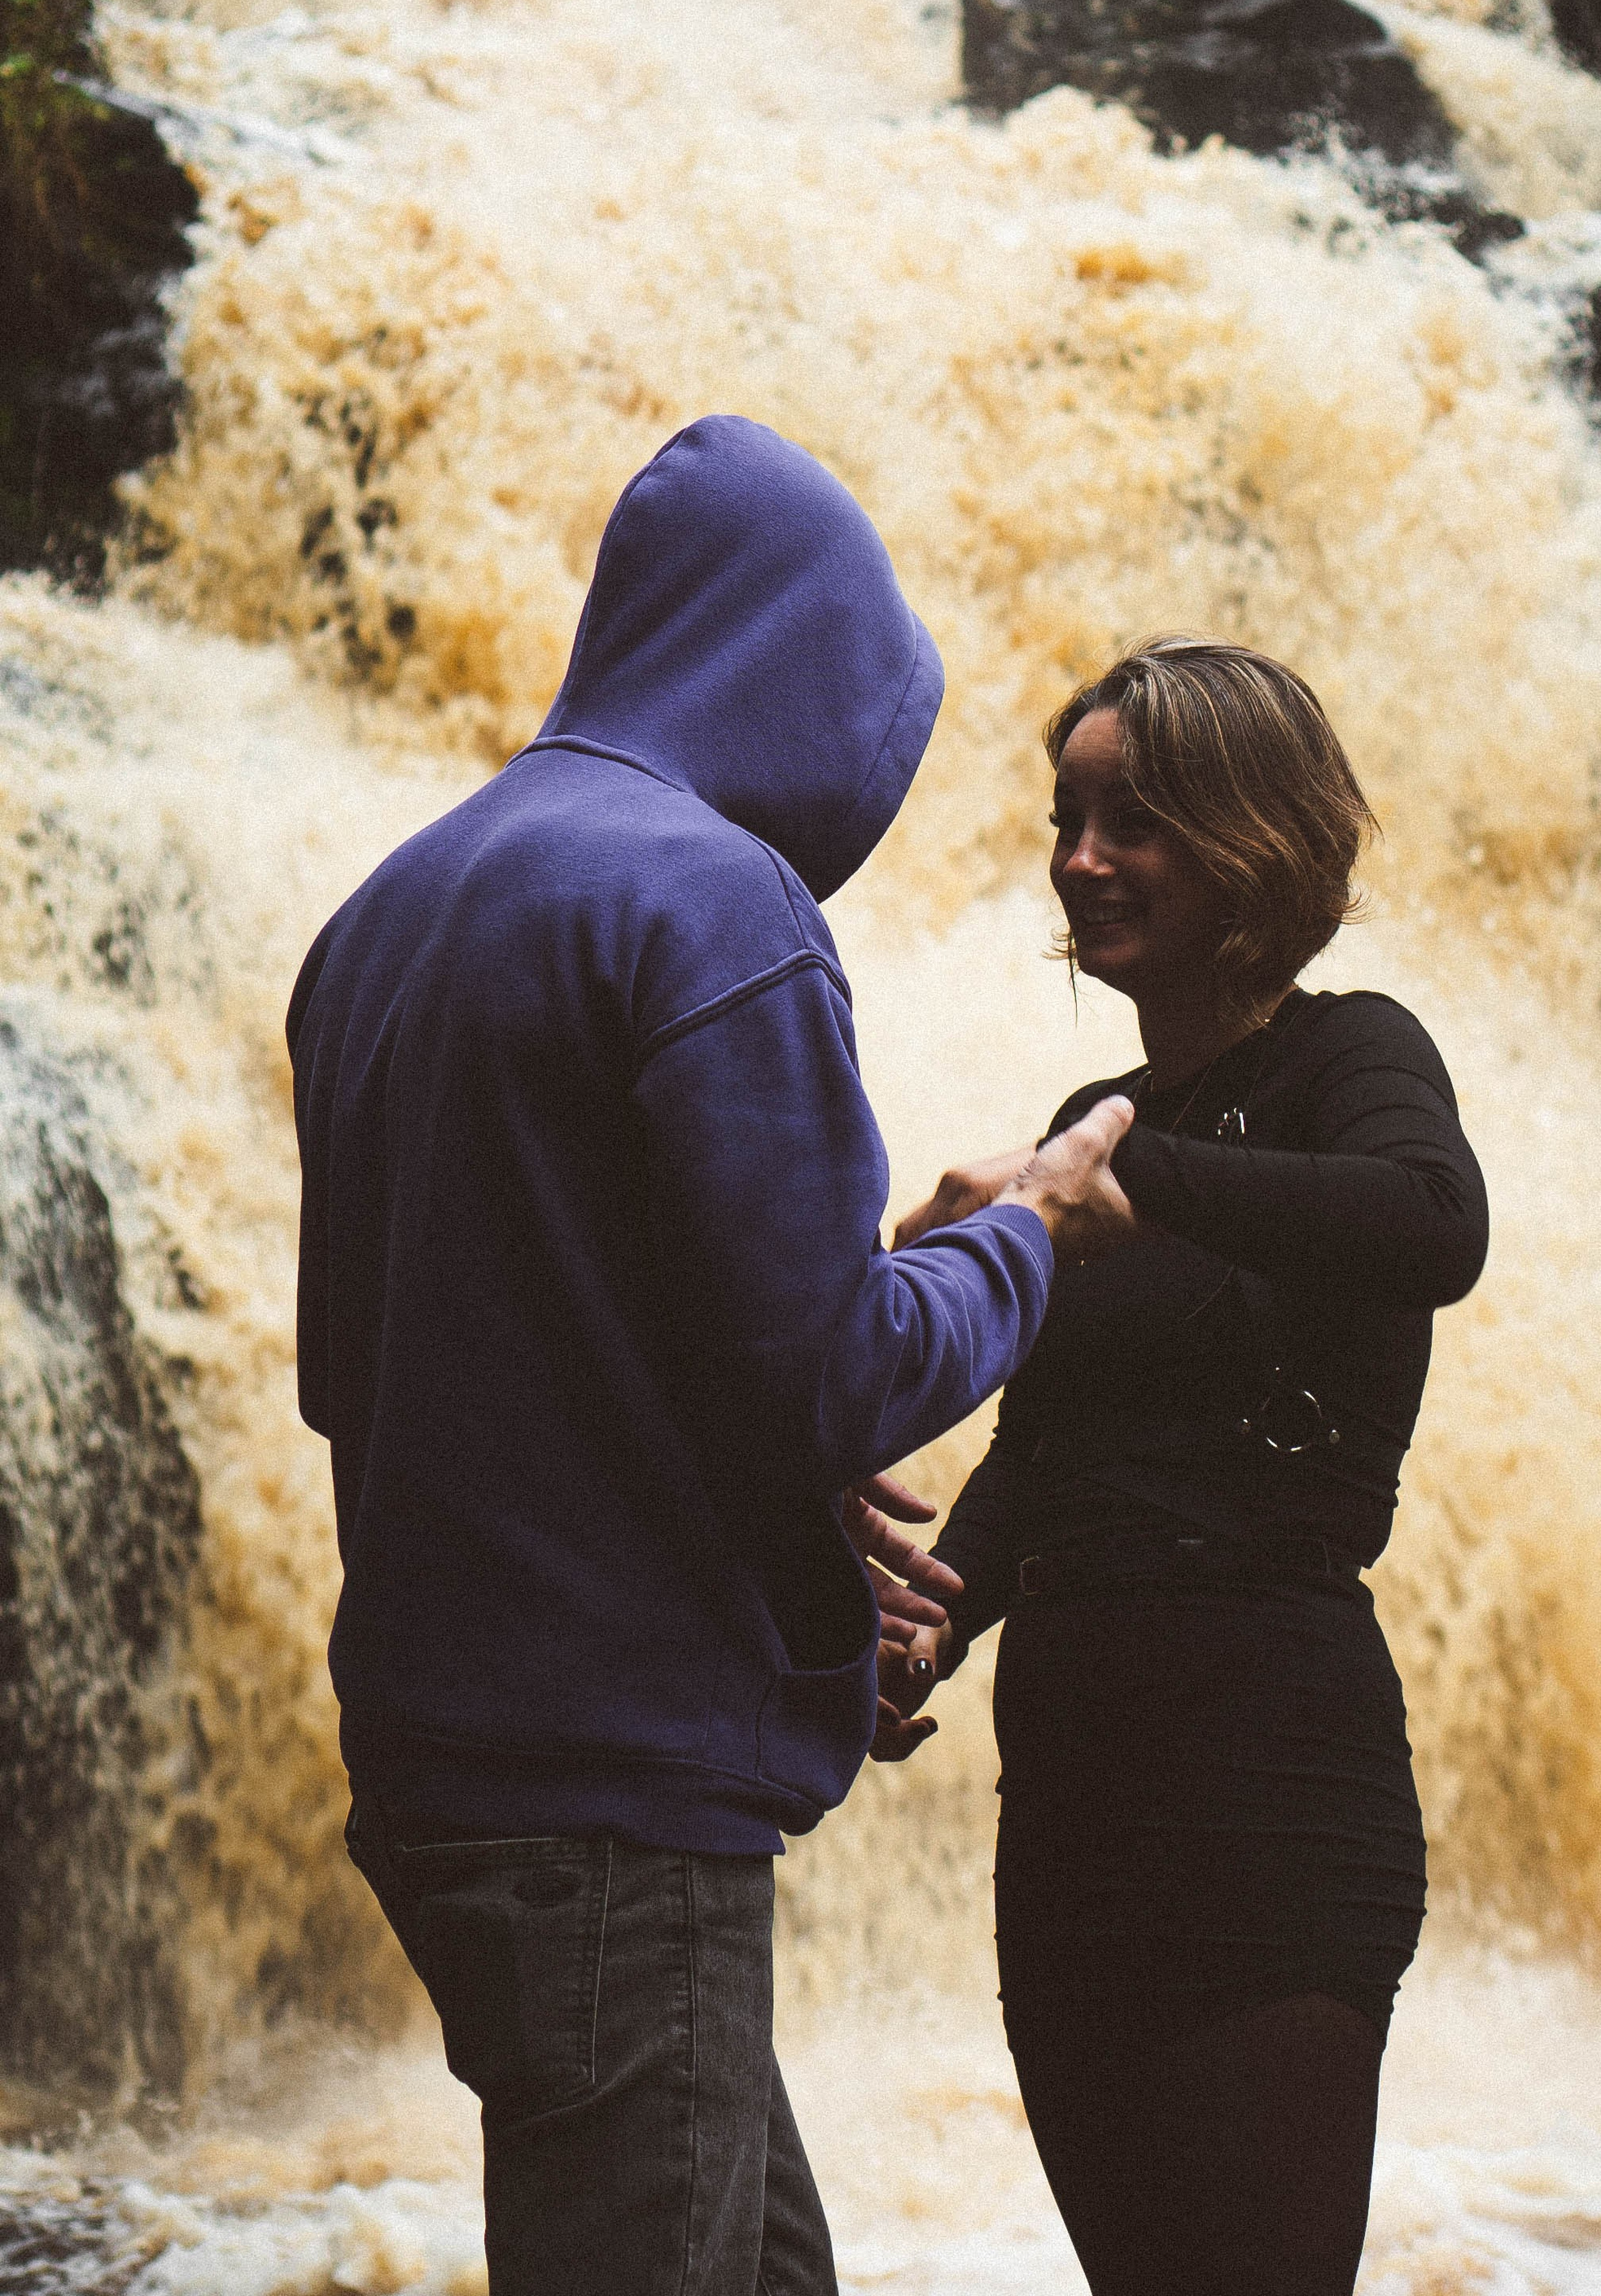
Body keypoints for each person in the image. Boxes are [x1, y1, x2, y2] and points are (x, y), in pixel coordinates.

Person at [288, 416, 1134, 2296]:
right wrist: (1029, 1234)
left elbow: (390, 1371)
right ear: (801, 668)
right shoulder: (710, 902)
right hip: (611, 1793)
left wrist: (751, 1497)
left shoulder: (390, 912)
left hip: (447, 1768)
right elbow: (830, 1368)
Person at [883, 637, 1489, 2296]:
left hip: (1267, 1779)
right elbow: (1046, 1441)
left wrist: (1120, 1179)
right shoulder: (1096, 1108)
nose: (1080, 860)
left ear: (1249, 838)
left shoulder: (1351, 1059)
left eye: (1132, 819)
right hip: (1074, 1798)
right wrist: (927, 1619)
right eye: (1069, 817)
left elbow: (1433, 1224)